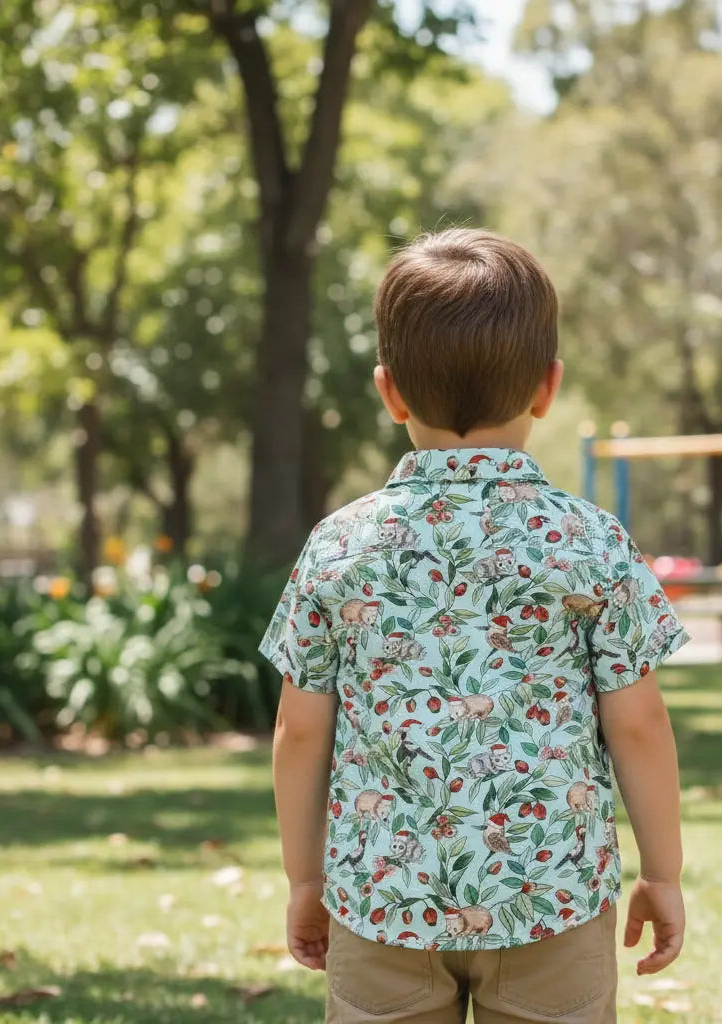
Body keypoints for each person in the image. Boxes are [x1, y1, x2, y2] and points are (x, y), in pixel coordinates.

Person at [260, 229, 689, 1024]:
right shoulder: (589, 541)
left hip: (381, 901)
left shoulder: (339, 546)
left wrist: (306, 880)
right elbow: (637, 725)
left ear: (389, 393)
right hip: (550, 897)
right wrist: (662, 871)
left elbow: (298, 733)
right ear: (548, 388)